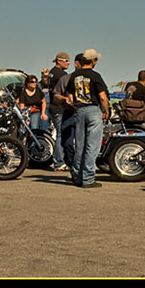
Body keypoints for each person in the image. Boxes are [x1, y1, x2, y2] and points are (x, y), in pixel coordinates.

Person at [65, 49, 109, 188]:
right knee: (92, 145)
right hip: (93, 110)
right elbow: (102, 96)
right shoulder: (95, 76)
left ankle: (77, 176)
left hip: (79, 110)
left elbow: (70, 97)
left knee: (80, 145)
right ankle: (88, 178)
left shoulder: (74, 76)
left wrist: (76, 106)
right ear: (93, 61)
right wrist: (106, 110)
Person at [52, 54, 83, 171]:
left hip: (83, 113)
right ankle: (69, 163)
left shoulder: (91, 78)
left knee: (82, 143)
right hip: (68, 113)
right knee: (66, 142)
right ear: (77, 64)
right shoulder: (65, 78)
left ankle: (79, 167)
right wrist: (65, 99)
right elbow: (56, 95)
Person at [44, 52, 70, 171]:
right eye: (66, 61)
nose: (68, 63)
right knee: (61, 134)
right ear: (59, 61)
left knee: (59, 134)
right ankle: (59, 162)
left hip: (53, 108)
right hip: (59, 108)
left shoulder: (51, 73)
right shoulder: (61, 75)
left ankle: (59, 160)